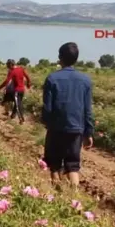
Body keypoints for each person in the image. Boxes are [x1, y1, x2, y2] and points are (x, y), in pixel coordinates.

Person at [41, 42, 94, 191]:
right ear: (76, 59)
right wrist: (88, 132)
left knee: (54, 164)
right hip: (76, 128)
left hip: (56, 128)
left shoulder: (52, 78)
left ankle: (57, 196)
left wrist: (47, 123)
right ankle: (74, 198)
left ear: (60, 58)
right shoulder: (85, 80)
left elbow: (47, 108)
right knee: (73, 165)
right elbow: (87, 109)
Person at [0, 59, 31, 124]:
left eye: (7, 65)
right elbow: (28, 77)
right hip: (22, 90)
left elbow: (6, 81)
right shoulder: (21, 69)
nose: (7, 66)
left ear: (11, 64)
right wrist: (28, 84)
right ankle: (13, 115)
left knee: (18, 104)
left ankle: (21, 119)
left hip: (17, 90)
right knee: (17, 102)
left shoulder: (13, 71)